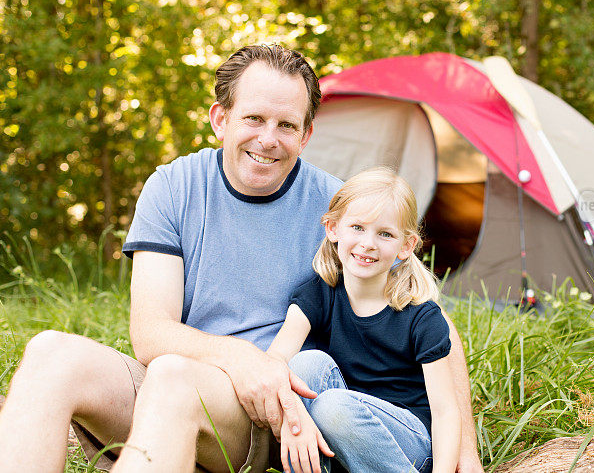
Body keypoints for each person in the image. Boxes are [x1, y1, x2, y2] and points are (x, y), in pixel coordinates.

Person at [0, 44, 485, 473]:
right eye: (253, 118)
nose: (268, 139)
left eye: (286, 125)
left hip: (271, 415)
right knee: (50, 353)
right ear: (221, 118)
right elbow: (151, 333)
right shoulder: (173, 187)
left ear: (306, 134)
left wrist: (464, 446)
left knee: (173, 377)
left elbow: (429, 315)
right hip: (180, 379)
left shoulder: (342, 212)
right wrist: (245, 360)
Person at [268, 167, 460, 473]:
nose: (368, 243)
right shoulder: (319, 295)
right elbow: (275, 360)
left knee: (332, 408)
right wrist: (295, 421)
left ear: (406, 246)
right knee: (304, 365)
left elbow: (446, 412)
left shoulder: (421, 316)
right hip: (346, 434)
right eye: (357, 227)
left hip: (408, 444)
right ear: (332, 228)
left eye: (385, 234)